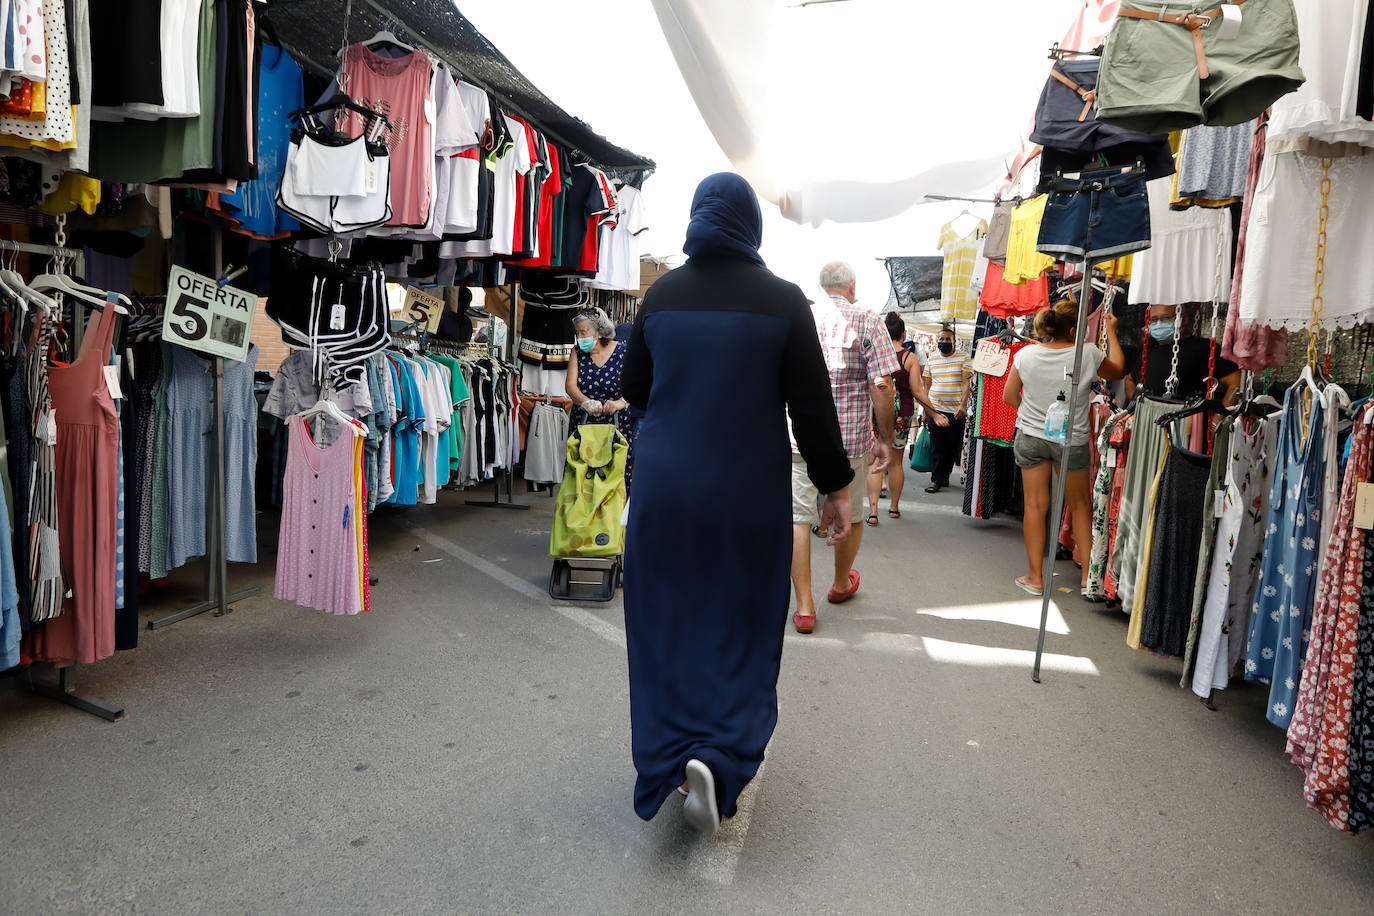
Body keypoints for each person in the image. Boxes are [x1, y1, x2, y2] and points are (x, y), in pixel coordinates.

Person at [620, 173, 853, 838]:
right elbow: (812, 410)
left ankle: (670, 757)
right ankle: (720, 755)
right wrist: (836, 489)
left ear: (698, 217)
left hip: (666, 488)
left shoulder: (661, 294)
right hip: (745, 490)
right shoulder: (783, 301)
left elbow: (635, 388)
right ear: (751, 223)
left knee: (666, 622)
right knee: (741, 618)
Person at [789, 261, 897, 632]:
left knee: (798, 517)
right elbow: (881, 385)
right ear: (852, 286)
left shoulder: (802, 317)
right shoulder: (869, 320)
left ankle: (805, 607)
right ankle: (839, 584)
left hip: (799, 436)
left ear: (821, 287)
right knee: (850, 513)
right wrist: (885, 439)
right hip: (849, 439)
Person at [1002, 298, 1126, 596]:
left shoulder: (1026, 354)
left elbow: (1009, 396)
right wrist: (1111, 331)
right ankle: (1087, 579)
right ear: (1073, 330)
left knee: (1035, 505)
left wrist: (1032, 414)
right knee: (1080, 505)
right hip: (1070, 439)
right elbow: (1119, 370)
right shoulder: (1088, 354)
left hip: (1031, 436)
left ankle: (1035, 578)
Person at [866, 311, 938, 524]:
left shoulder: (875, 355)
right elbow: (918, 391)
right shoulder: (909, 358)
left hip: (878, 412)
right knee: (896, 463)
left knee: (876, 460)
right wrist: (934, 413)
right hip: (902, 414)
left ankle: (873, 512)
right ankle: (894, 508)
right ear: (903, 333)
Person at [566, 308, 634, 483]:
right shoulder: (577, 352)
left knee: (614, 479)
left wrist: (621, 402)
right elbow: (570, 386)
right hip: (584, 423)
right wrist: (586, 402)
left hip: (617, 425)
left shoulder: (623, 352)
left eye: (583, 332)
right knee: (582, 479)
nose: (579, 337)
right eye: (577, 333)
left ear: (600, 331)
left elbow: (637, 385)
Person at [1128, 303, 1240, 403]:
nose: (1159, 323)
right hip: (1148, 415)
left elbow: (1236, 383)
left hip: (1187, 416)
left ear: (1184, 319)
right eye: (1153, 319)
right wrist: (1136, 408)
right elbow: (1129, 380)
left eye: (1166, 317)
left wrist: (1219, 416)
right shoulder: (1149, 350)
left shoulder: (1203, 347)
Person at [921, 325, 972, 493]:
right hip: (935, 409)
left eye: (947, 339)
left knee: (951, 446)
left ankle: (945, 475)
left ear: (954, 341)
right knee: (937, 445)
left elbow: (966, 383)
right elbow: (926, 386)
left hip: (956, 412)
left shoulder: (964, 358)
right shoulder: (931, 359)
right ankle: (935, 479)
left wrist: (963, 405)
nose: (944, 342)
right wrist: (925, 411)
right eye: (941, 339)